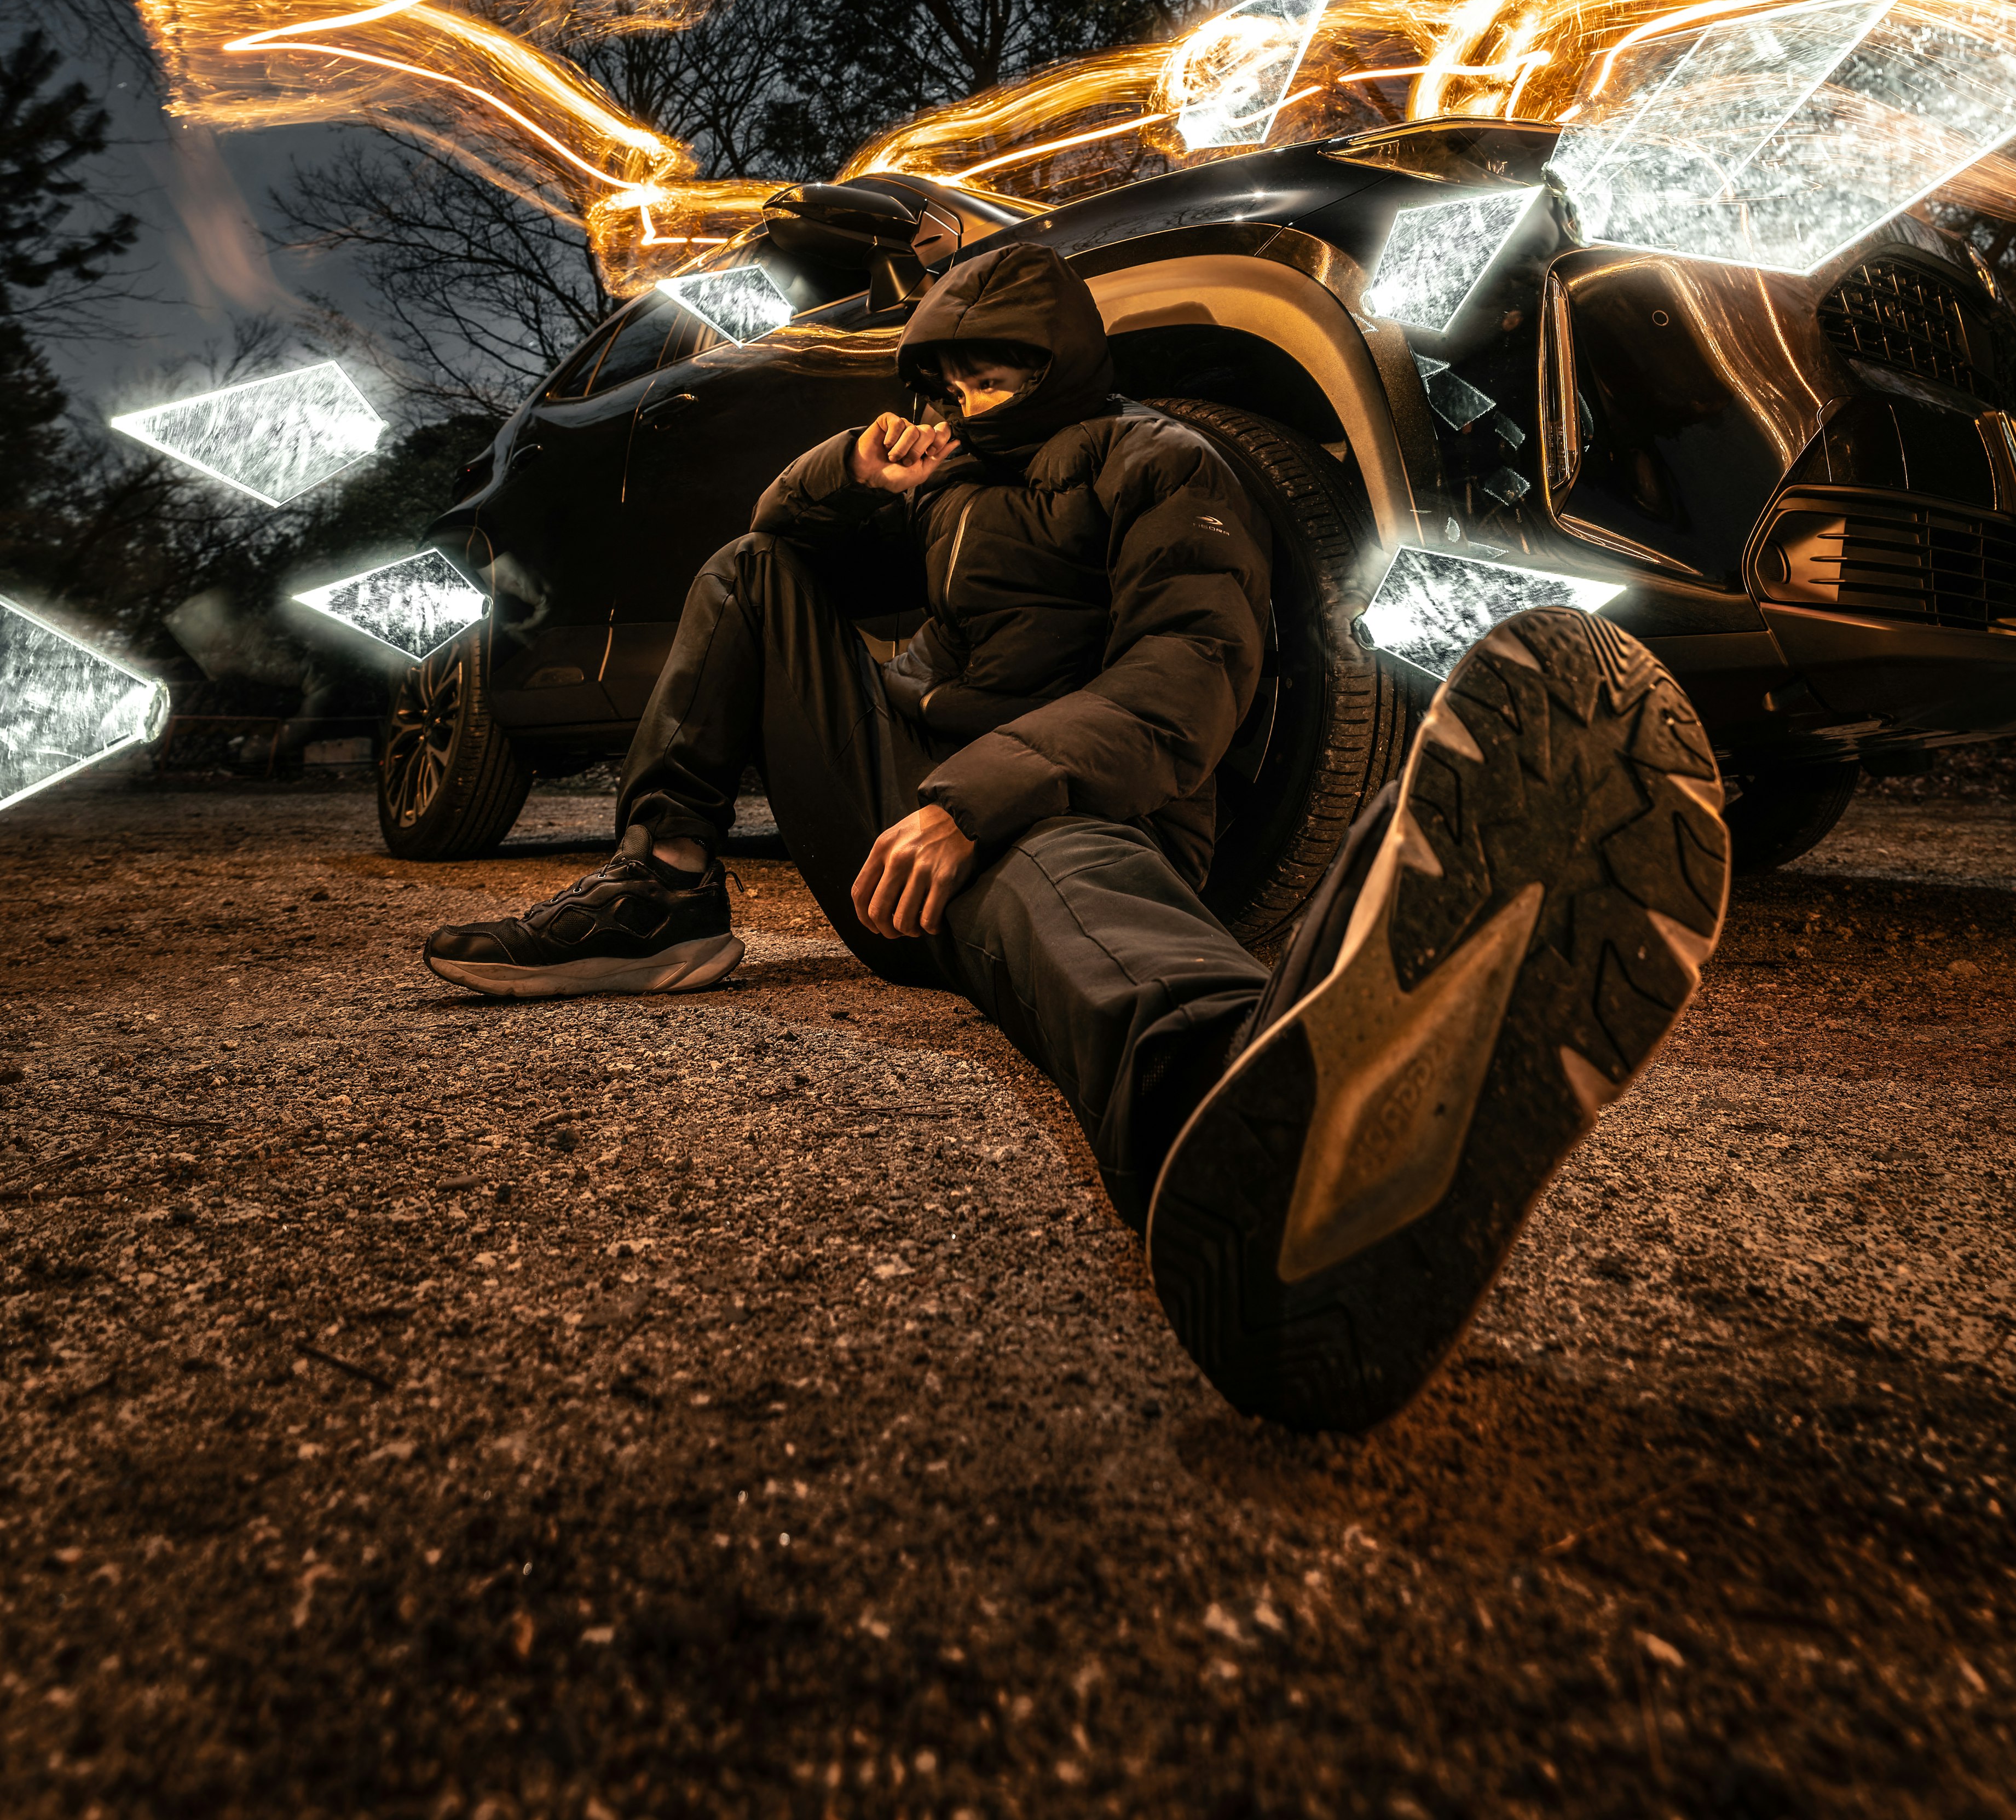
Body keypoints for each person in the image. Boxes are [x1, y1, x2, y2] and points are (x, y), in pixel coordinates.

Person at [423, 238, 1730, 1432]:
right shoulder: (944, 483)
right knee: (747, 572)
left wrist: (975, 798)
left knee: (1066, 881)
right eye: (949, 372)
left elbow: (1195, 669)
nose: (969, 392)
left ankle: (1235, 1106)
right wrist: (851, 471)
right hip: (906, 813)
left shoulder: (1157, 461)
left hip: (1065, 815)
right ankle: (664, 884)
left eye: (998, 366)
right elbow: (776, 550)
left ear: (1062, 360)